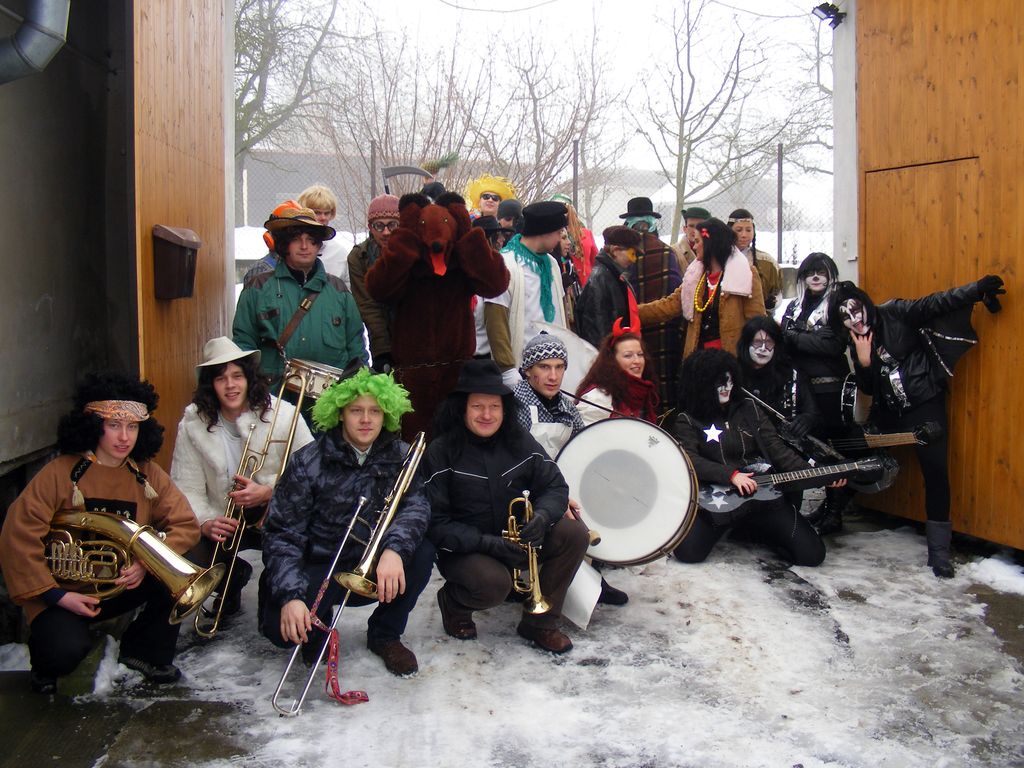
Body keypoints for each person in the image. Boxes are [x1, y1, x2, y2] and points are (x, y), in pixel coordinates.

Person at [0, 373, 200, 693]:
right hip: (61, 593)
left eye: (132, 426)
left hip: (119, 586)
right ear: (94, 425)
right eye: (114, 425)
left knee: (178, 569)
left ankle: (144, 651)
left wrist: (147, 562)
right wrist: (57, 596)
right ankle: (47, 655)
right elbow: (18, 536)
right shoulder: (59, 472)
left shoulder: (146, 474)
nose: (124, 437)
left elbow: (186, 525)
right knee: (62, 654)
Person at [827, 274, 1006, 578]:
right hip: (889, 413)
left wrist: (976, 290)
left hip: (924, 403)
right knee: (853, 450)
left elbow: (935, 303)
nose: (854, 319)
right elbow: (868, 389)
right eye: (845, 316)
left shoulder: (894, 313)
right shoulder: (855, 341)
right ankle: (832, 513)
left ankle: (939, 553)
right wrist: (864, 362)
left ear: (865, 304)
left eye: (855, 309)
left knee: (935, 471)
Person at [259, 368, 434, 676]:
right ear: (339, 413)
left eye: (375, 411)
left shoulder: (402, 456)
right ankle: (317, 626)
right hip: (320, 565)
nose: (366, 420)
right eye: (356, 411)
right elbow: (282, 534)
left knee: (421, 553)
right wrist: (291, 596)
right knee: (280, 630)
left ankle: (385, 634)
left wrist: (394, 550)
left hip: (373, 565)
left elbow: (416, 507)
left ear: (386, 413)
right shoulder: (306, 462)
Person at [424, 360, 589, 654]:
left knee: (574, 534)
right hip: (467, 551)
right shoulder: (440, 452)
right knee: (493, 584)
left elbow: (554, 486)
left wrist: (543, 516)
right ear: (462, 408)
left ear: (505, 409)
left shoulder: (520, 440)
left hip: (517, 542)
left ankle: (540, 623)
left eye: (494, 406)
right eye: (477, 406)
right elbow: (436, 523)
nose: (487, 415)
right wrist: (488, 544)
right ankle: (454, 603)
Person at [170, 337, 314, 622]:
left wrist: (270, 492)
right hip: (225, 520)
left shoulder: (283, 415)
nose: (231, 385)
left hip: (278, 518)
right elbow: (186, 488)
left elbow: (313, 474)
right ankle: (232, 577)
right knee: (188, 554)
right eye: (221, 378)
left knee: (275, 611)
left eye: (237, 376)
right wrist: (206, 521)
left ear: (249, 378)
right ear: (210, 384)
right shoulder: (192, 426)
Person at [671, 350, 833, 566]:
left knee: (812, 555)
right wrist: (730, 475)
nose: (727, 387)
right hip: (717, 504)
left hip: (762, 498)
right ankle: (737, 527)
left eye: (730, 380)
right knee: (688, 552)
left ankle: (755, 530)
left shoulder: (750, 409)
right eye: (720, 382)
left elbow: (778, 451)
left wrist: (821, 476)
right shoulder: (688, 419)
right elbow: (689, 459)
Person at [512, 334, 628, 606]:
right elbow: (515, 465)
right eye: (544, 367)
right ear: (528, 370)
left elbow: (582, 451)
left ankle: (591, 579)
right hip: (524, 493)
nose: (553, 376)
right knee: (571, 522)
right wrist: (553, 498)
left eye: (559, 367)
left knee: (593, 501)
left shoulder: (567, 407)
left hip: (560, 485)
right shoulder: (515, 406)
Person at [233, 202, 367, 390]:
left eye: (311, 240)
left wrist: (359, 389)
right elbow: (243, 344)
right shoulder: (258, 288)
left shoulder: (339, 291)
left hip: (331, 398)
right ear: (284, 244)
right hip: (274, 396)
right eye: (296, 239)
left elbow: (356, 348)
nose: (304, 246)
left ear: (319, 245)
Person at [779, 252, 851, 533]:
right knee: (809, 448)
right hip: (800, 389)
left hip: (830, 388)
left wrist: (795, 336)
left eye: (822, 271)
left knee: (832, 450)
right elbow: (782, 341)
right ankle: (811, 508)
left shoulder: (838, 304)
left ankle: (835, 512)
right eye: (810, 272)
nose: (816, 277)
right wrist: (810, 338)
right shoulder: (794, 306)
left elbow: (834, 345)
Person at [737, 316, 821, 511]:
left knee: (789, 512)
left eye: (769, 343)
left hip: (786, 458)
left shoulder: (792, 374)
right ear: (746, 343)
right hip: (745, 456)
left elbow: (813, 412)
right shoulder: (734, 374)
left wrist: (806, 419)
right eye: (757, 342)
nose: (763, 348)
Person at [484, 201, 569, 387]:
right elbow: (495, 320)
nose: (560, 238)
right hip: (521, 370)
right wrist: (508, 370)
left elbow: (561, 314)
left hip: (553, 371)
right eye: (558, 232)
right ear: (544, 232)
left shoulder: (552, 264)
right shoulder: (505, 264)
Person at [619, 196, 684, 407]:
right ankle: (666, 417)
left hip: (629, 332)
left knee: (635, 382)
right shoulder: (666, 252)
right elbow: (675, 297)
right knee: (663, 383)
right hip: (665, 334)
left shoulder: (621, 255)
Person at [681, 217, 766, 358]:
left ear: (710, 244)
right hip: (698, 359)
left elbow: (757, 322)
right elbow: (670, 304)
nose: (694, 247)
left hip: (730, 360)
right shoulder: (695, 276)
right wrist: (639, 311)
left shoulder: (745, 273)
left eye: (697, 241)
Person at [347, 194, 400, 373]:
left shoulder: (414, 252)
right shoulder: (358, 257)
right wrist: (382, 352)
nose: (386, 232)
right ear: (370, 227)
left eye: (392, 225)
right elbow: (368, 306)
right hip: (380, 337)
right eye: (379, 226)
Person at [575, 322, 660, 426]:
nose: (637, 361)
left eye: (640, 354)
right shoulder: (599, 396)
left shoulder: (644, 391)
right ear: (612, 360)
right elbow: (587, 434)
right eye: (628, 356)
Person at [575, 226, 643, 348]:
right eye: (632, 254)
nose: (634, 260)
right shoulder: (600, 279)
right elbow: (598, 329)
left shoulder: (613, 275)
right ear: (615, 250)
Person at [727, 208, 782, 312]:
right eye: (739, 230)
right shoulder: (720, 259)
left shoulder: (767, 261)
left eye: (748, 230)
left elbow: (778, 294)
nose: (744, 235)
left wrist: (772, 303)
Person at [298, 184, 349, 288]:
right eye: (317, 213)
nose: (323, 218)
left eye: (327, 213)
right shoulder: (291, 248)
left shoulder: (339, 253)